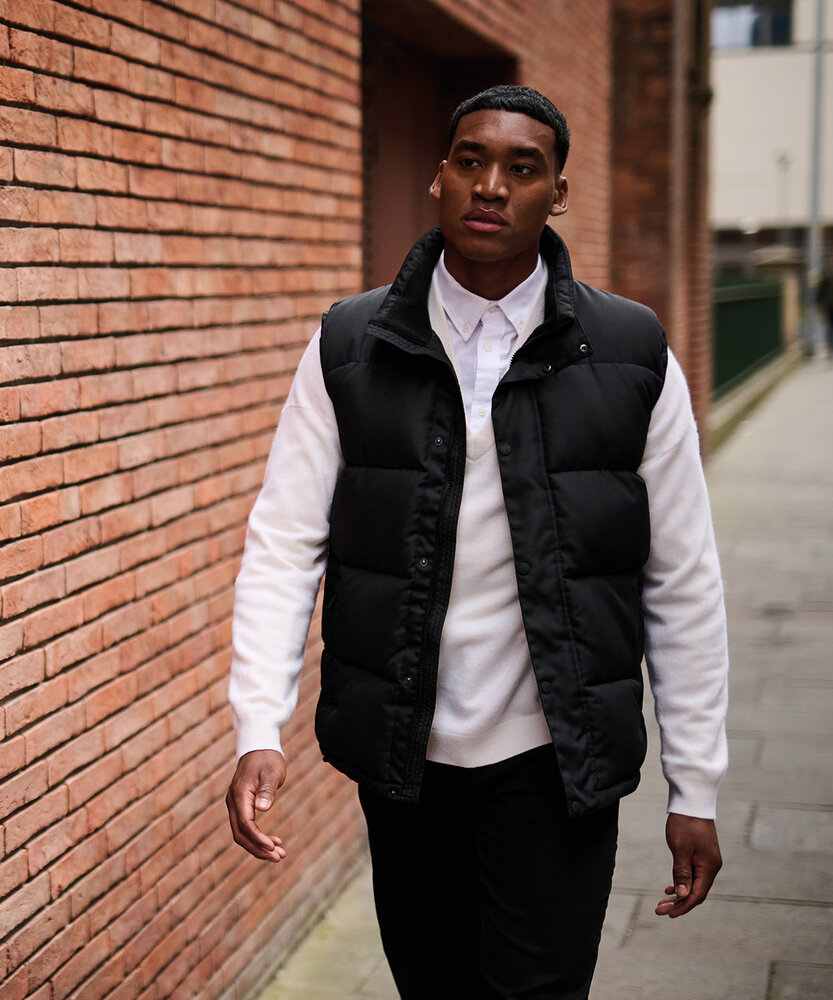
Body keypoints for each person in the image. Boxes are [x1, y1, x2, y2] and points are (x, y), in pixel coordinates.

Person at [226, 85, 728, 999]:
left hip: (556, 761)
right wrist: (258, 722)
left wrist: (695, 784)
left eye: (521, 168)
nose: (490, 185)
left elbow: (681, 578)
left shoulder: (630, 352)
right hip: (404, 761)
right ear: (439, 178)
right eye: (470, 161)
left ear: (557, 194)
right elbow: (284, 543)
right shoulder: (350, 345)